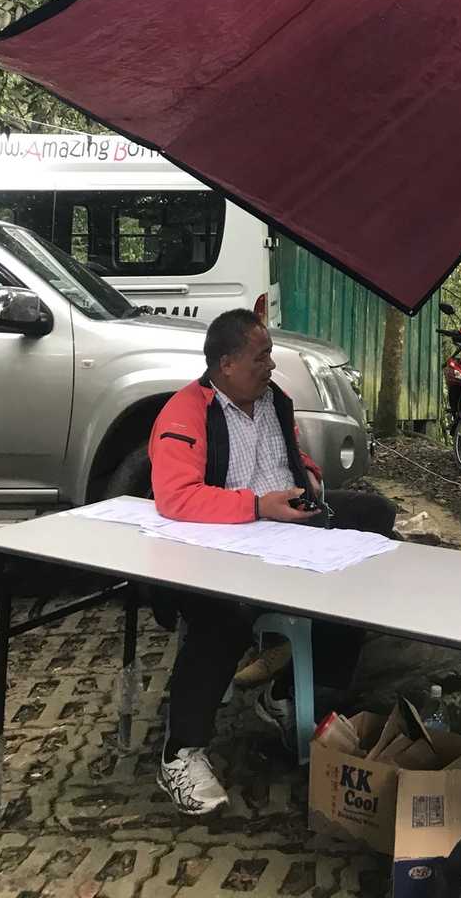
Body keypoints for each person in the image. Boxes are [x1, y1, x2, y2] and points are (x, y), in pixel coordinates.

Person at [150, 308, 396, 815]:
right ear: (225, 364)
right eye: (261, 357)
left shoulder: (274, 400)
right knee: (223, 614)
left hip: (286, 523)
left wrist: (310, 478)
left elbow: (291, 456)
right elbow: (176, 497)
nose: (271, 366)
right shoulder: (185, 412)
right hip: (223, 539)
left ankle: (292, 693)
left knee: (370, 529)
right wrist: (258, 507)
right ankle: (180, 752)